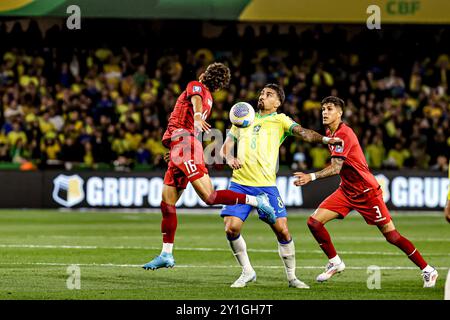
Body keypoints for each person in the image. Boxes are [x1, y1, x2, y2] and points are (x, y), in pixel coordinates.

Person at [293, 96, 438, 288]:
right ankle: (335, 262)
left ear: (340, 113)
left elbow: (336, 168)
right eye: (323, 109)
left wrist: (310, 177)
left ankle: (428, 270)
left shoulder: (345, 134)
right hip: (346, 191)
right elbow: (315, 140)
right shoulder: (329, 132)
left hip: (367, 192)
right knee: (314, 222)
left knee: (392, 236)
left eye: (329, 109)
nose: (324, 112)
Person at [143, 63, 275, 270]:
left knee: (209, 197)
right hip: (181, 146)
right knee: (167, 203)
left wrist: (194, 120)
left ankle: (256, 200)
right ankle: (166, 254)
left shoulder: (196, 87)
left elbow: (195, 103)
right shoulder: (210, 99)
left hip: (185, 145)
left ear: (204, 75)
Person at [219, 84, 342, 288]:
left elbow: (304, 133)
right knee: (231, 228)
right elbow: (224, 149)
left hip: (266, 186)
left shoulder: (281, 120)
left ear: (277, 102)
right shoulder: (243, 116)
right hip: (240, 183)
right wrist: (230, 158)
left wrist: (326, 139)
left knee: (283, 231)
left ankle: (292, 278)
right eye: (261, 93)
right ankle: (247, 271)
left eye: (268, 95)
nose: (262, 97)